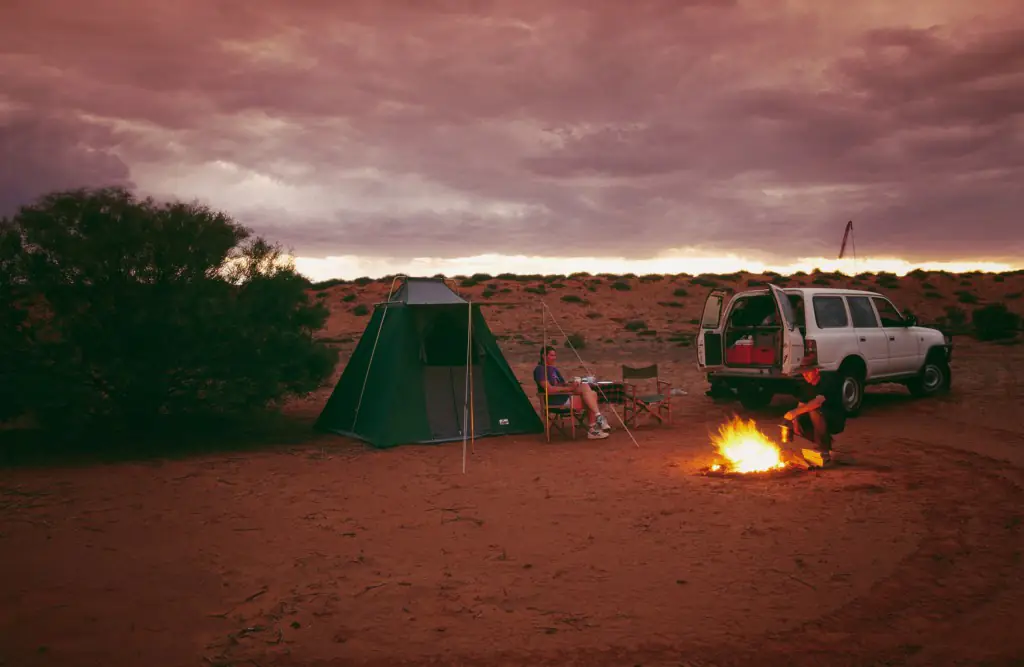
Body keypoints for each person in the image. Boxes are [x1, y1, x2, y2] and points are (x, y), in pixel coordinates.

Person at [533, 346, 610, 439]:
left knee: (590, 391)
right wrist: (570, 388)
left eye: (555, 355)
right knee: (591, 396)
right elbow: (549, 389)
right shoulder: (540, 370)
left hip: (565, 396)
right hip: (556, 400)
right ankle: (593, 428)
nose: (554, 358)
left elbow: (562, 384)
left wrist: (572, 384)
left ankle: (597, 420)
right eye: (551, 355)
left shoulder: (554, 369)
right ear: (543, 356)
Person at [783, 365, 845, 463]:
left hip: (835, 418)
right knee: (797, 418)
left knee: (813, 410)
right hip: (820, 418)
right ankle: (825, 444)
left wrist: (794, 413)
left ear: (816, 371)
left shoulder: (827, 381)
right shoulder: (807, 385)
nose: (805, 376)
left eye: (808, 373)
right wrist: (795, 420)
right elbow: (801, 404)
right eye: (803, 373)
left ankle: (823, 449)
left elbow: (818, 402)